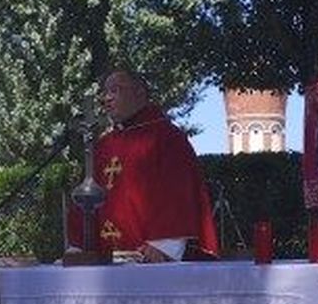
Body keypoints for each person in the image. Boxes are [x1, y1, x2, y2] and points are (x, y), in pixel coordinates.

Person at [66, 69, 218, 262]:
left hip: (151, 256)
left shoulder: (166, 136)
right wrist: (78, 245)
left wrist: (165, 245)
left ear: (139, 92)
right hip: (103, 260)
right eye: (105, 92)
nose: (107, 98)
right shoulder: (103, 146)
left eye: (115, 90)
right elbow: (86, 198)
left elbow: (179, 191)